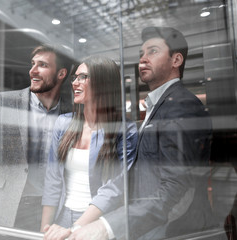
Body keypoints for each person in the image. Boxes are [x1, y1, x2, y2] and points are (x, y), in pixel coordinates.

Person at [68, 27, 215, 240]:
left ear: (176, 60)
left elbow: (177, 188)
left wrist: (108, 226)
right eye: (141, 54)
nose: (143, 59)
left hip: (175, 231)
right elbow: (136, 174)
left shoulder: (181, 105)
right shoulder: (158, 106)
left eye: (153, 51)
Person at [0, 44, 72, 238]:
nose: (32, 70)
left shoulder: (72, 111)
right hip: (9, 204)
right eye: (32, 64)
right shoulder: (3, 101)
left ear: (61, 74)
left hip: (54, 206)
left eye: (42, 65)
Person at [41, 56, 138, 240]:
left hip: (98, 223)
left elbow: (115, 188)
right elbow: (52, 181)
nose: (75, 83)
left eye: (83, 77)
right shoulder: (64, 123)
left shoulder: (124, 129)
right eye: (75, 77)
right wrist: (43, 230)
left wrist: (76, 228)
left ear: (103, 83)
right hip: (61, 218)